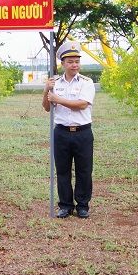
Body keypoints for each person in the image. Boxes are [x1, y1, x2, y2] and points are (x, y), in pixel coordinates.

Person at [43, 41, 96, 219]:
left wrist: (57, 98)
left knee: (84, 170)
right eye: (70, 62)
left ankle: (82, 205)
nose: (74, 65)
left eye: (77, 61)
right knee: (63, 170)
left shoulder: (86, 83)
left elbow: (82, 104)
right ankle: (65, 205)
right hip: (61, 132)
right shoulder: (55, 83)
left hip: (83, 133)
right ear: (63, 64)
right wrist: (46, 92)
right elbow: (47, 107)